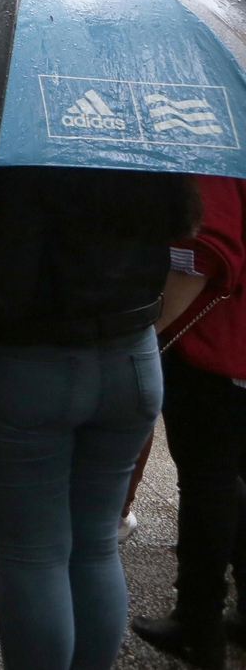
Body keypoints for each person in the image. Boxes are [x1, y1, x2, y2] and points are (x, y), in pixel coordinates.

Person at [0, 165, 198, 670]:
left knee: (34, 554)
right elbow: (182, 222)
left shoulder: (21, 142)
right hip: (131, 355)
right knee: (95, 545)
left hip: (26, 364)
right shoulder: (140, 135)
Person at [132, 175, 246, 670]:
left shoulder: (219, 136)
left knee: (210, 483)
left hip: (217, 345)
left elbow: (206, 249)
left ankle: (198, 622)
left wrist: (145, 333)